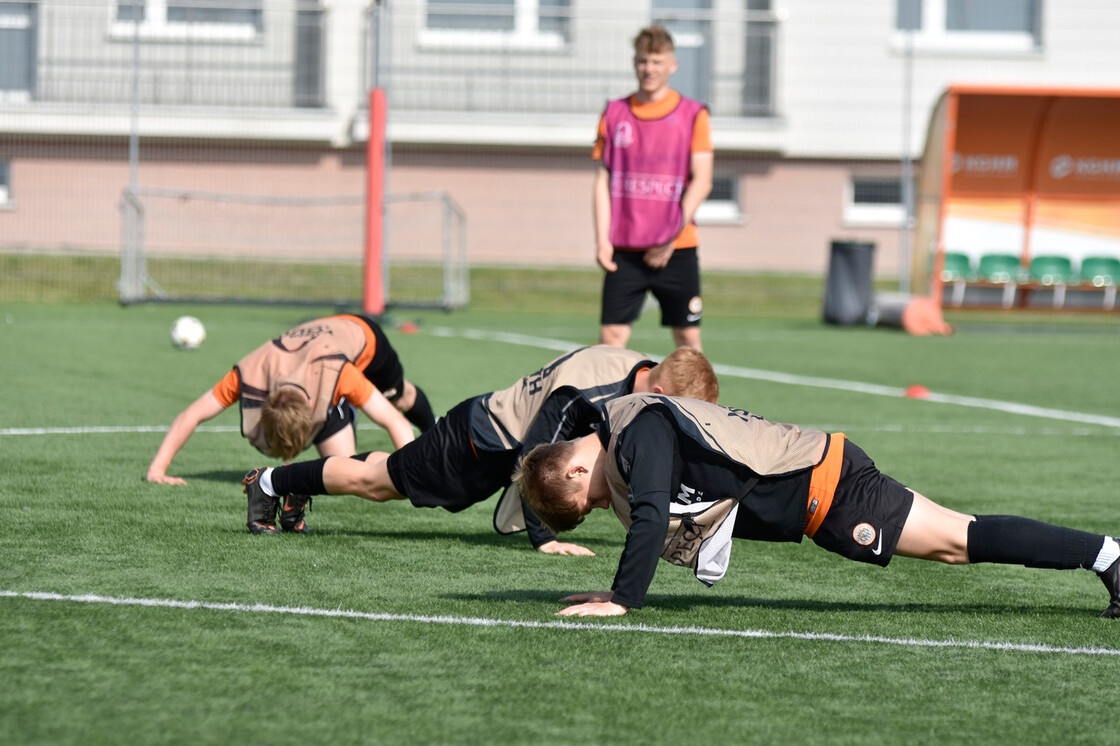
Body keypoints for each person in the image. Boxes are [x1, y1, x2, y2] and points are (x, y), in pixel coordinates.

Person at [514, 393, 1120, 619]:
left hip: (832, 490)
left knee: (959, 541)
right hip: (823, 489)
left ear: (575, 467)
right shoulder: (625, 423)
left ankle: (1107, 556)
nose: (599, 506)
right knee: (958, 542)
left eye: (588, 500)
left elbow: (650, 511)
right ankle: (1107, 557)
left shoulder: (635, 431)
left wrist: (621, 599)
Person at [242, 346, 719, 549]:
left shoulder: (641, 372)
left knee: (384, 475)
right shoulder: (591, 392)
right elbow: (538, 461)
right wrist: (546, 537)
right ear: (660, 393)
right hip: (478, 440)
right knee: (378, 483)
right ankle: (270, 483)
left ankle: (292, 484)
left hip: (493, 440)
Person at [146, 314, 435, 492]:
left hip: (362, 336)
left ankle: (433, 432)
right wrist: (157, 470)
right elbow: (192, 414)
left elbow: (393, 422)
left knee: (400, 399)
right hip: (316, 348)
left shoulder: (338, 372)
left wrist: (413, 477)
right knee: (346, 469)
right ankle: (340, 408)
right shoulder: (250, 375)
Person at [594, 26, 714, 352]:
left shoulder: (693, 115)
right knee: (611, 339)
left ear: (673, 64)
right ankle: (613, 404)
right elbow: (603, 180)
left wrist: (669, 236)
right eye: (643, 61)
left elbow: (702, 181)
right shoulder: (614, 112)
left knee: (687, 339)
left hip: (678, 247)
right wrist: (602, 239)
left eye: (657, 61)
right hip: (626, 250)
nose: (649, 69)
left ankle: (697, 405)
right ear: (635, 63)